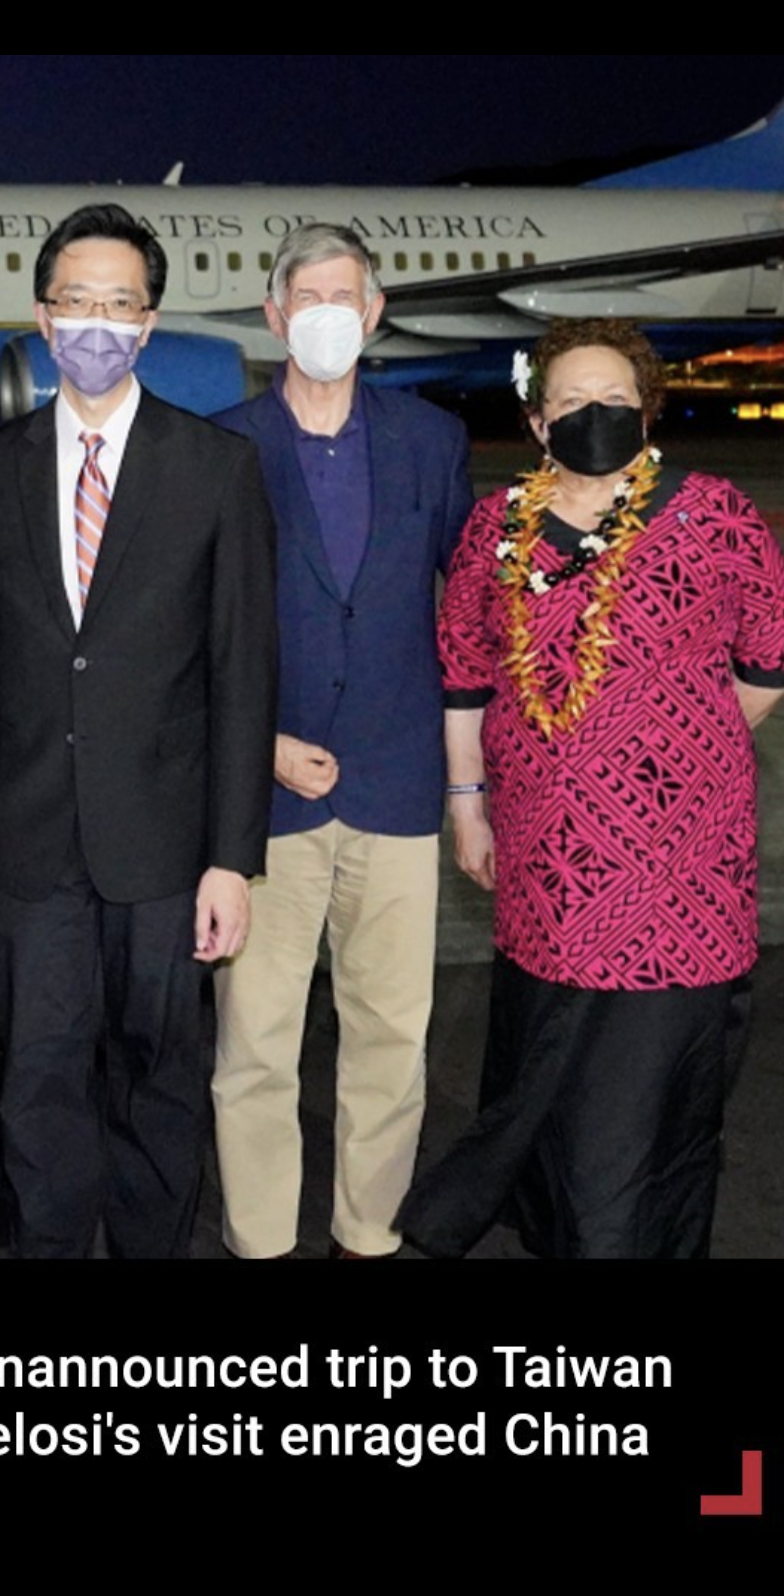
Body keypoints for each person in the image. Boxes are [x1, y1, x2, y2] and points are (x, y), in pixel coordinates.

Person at [399, 317, 784, 1259]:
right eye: (571, 400)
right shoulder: (497, 529)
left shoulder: (715, 514)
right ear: (538, 423)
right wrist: (466, 806)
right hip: (549, 858)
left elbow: (769, 659)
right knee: (555, 1059)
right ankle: (559, 1225)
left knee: (649, 1078)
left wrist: (677, 750)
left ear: (647, 410)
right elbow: (465, 676)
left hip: (685, 866)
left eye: (614, 397)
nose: (594, 413)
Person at [0, 202, 278, 1258]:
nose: (97, 324)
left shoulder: (216, 467)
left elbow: (242, 673)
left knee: (159, 1078)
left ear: (148, 323)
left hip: (165, 845)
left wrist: (232, 859)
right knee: (38, 1077)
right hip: (33, 840)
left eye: (120, 305)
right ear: (42, 317)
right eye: (77, 302)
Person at [210, 224, 472, 1260]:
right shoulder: (223, 447)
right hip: (266, 796)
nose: (327, 315)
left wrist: (471, 784)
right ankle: (261, 1241)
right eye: (306, 297)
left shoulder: (430, 441)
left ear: (373, 313)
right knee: (255, 1043)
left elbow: (466, 610)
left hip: (396, 782)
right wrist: (258, 742)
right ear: (275, 315)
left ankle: (370, 1234)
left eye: (344, 297)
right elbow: (194, 629)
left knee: (390, 1037)